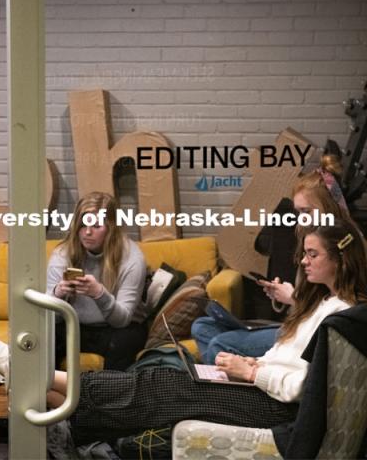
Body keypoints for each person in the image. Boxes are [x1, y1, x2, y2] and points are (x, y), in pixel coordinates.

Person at [36, 219, 366, 446]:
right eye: (304, 254)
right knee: (166, 378)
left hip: (274, 407)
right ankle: (44, 389)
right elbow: (285, 357)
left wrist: (252, 372)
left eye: (313, 255)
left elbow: (302, 387)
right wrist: (247, 364)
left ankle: (40, 380)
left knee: (160, 386)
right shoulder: (324, 304)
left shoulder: (340, 318)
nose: (304, 263)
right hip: (264, 393)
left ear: (341, 260)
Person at [191, 155, 354, 364]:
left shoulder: (342, 246)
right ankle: (229, 378)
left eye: (306, 211)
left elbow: (332, 317)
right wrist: (286, 295)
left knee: (220, 344)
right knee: (202, 327)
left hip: (307, 333)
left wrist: (293, 298)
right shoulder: (311, 238)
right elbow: (311, 300)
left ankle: (230, 390)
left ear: (328, 206)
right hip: (297, 323)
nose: (300, 218)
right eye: (298, 212)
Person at [48, 192, 147, 370]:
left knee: (125, 340)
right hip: (75, 325)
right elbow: (50, 318)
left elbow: (122, 320)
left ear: (111, 228)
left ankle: (111, 396)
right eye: (83, 225)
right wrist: (58, 295)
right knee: (46, 332)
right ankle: (44, 394)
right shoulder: (63, 253)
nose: (87, 232)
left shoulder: (132, 258)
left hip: (116, 328)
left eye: (96, 226)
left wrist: (99, 294)